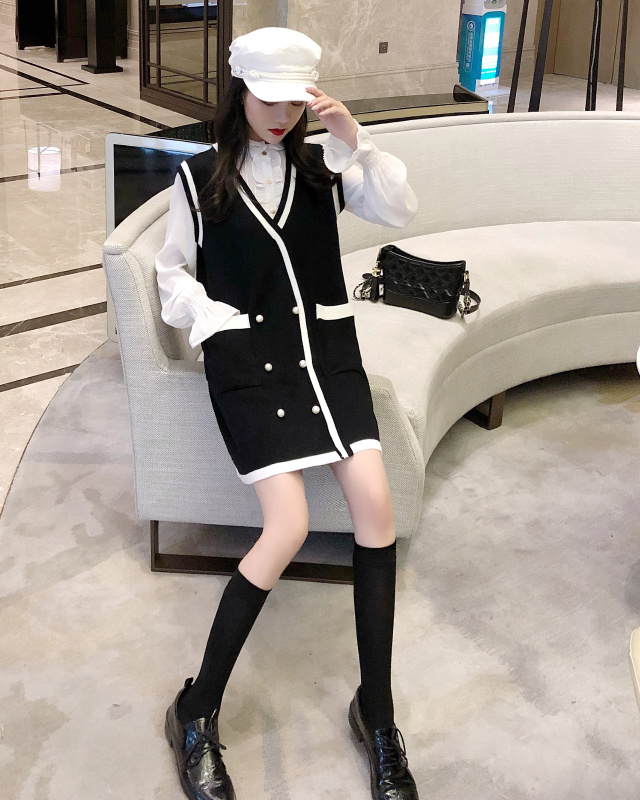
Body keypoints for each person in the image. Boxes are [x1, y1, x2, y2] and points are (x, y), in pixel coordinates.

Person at [155, 26, 420, 800]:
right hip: (250, 367)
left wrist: (355, 140)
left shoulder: (323, 166)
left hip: (327, 358)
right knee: (289, 526)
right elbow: (172, 272)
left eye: (294, 103)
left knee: (377, 509)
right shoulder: (199, 177)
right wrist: (210, 318)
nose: (281, 116)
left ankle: (376, 713)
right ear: (239, 90)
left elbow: (398, 209)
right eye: (268, 100)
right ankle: (196, 710)